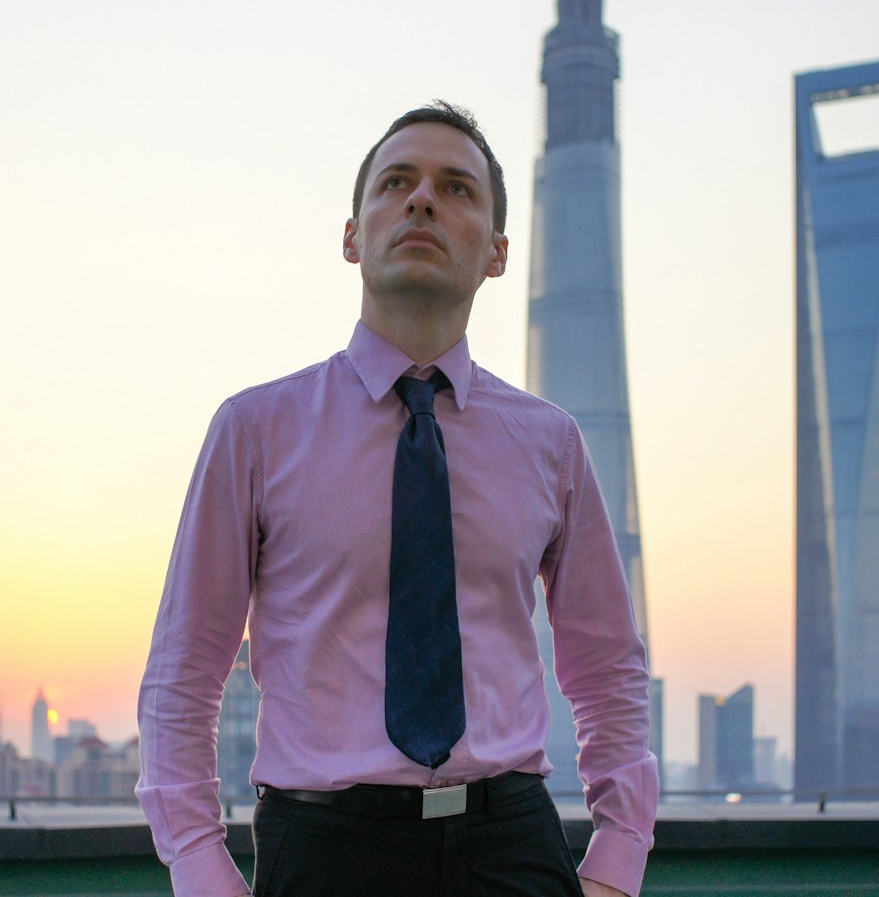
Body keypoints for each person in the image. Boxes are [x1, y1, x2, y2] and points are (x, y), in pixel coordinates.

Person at [136, 101, 657, 897]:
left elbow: (607, 665)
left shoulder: (551, 443)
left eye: (457, 189)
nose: (422, 201)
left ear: (497, 252)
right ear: (352, 236)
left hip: (511, 844)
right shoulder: (255, 429)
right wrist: (202, 871)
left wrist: (618, 857)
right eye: (396, 183)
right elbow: (185, 670)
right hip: (325, 851)